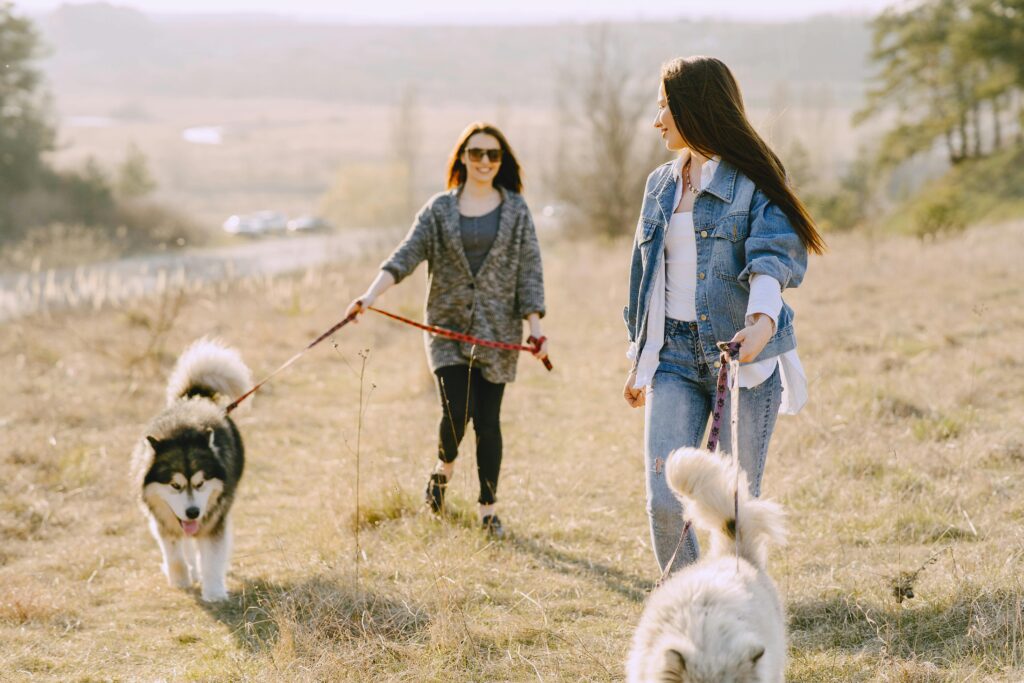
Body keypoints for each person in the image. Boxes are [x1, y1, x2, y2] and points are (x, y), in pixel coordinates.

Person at [622, 56, 826, 575]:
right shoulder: (660, 185)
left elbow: (773, 256)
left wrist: (761, 323)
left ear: (694, 108)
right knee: (666, 501)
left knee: (733, 509)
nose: (656, 120)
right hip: (670, 356)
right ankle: (689, 607)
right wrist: (639, 357)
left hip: (739, 359)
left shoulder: (754, 177)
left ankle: (739, 602)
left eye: (664, 107)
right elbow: (646, 279)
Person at [346, 122, 547, 538]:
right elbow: (406, 254)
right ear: (462, 158)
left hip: (498, 333)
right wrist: (369, 296)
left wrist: (535, 327)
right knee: (457, 411)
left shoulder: (516, 210)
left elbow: (530, 271)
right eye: (476, 154)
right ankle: (444, 467)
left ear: (502, 161)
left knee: (488, 421)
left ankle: (488, 510)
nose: (485, 162)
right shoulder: (438, 210)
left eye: (493, 155)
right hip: (446, 330)